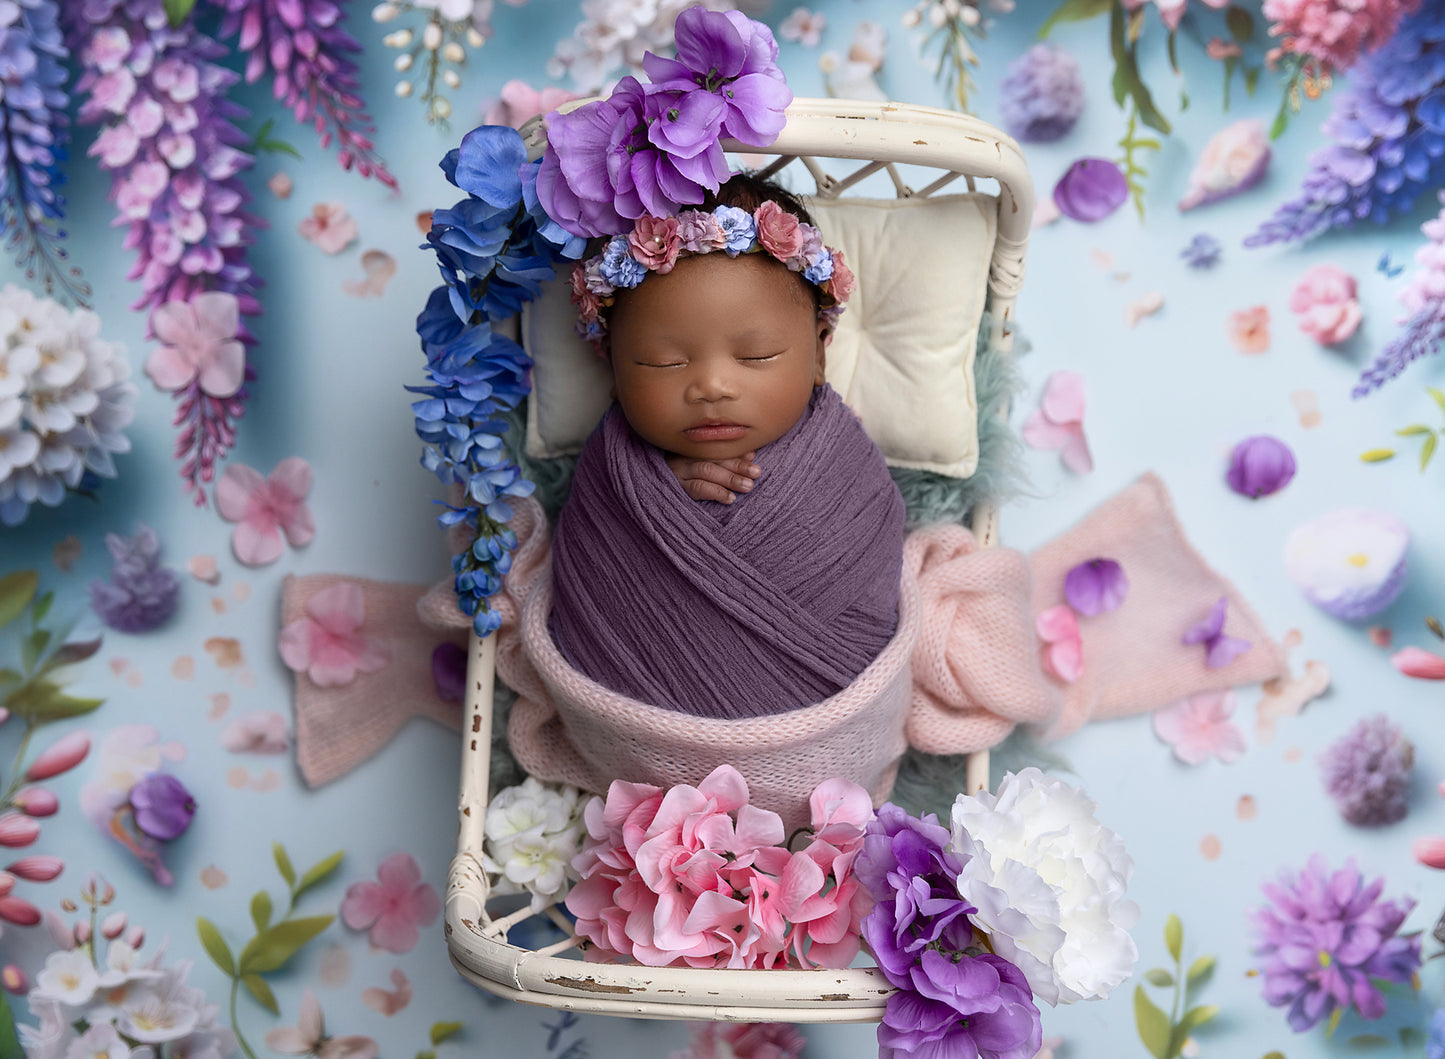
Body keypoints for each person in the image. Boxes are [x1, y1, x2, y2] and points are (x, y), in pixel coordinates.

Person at [546, 172, 908, 721]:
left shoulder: (845, 468)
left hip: (826, 725)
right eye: (662, 362)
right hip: (633, 725)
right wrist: (653, 498)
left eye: (757, 356)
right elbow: (588, 569)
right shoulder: (611, 476)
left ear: (818, 357)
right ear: (613, 370)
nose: (711, 387)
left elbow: (875, 568)